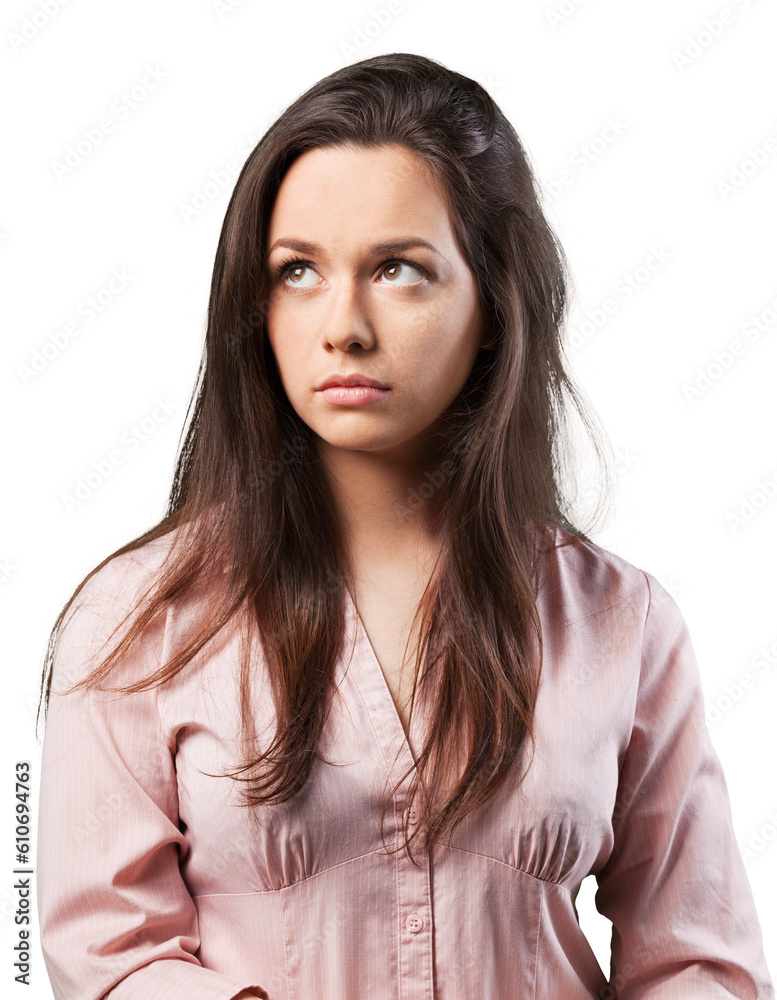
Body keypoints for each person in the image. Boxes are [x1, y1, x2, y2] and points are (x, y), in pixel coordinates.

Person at [35, 52, 774, 1000]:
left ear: (493, 299)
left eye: (397, 269)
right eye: (297, 270)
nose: (342, 325)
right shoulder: (138, 617)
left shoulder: (621, 623)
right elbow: (107, 953)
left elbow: (700, 963)